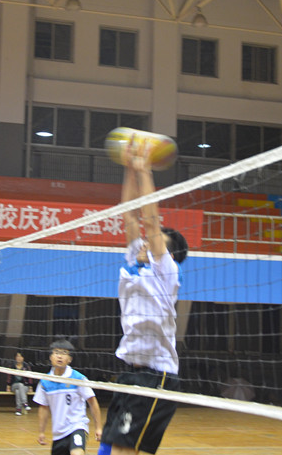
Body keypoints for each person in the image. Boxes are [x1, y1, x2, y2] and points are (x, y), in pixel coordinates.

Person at [100, 138, 188, 455]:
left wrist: (145, 170)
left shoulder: (166, 272)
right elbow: (129, 216)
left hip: (157, 376)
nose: (144, 242)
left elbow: (150, 221)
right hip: (130, 371)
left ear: (166, 253)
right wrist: (128, 169)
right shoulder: (133, 263)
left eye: (153, 242)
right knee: (109, 444)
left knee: (123, 449)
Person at [33, 339, 102, 455]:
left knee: (77, 453)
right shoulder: (45, 382)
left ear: (69, 359)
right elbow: (43, 407)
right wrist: (41, 431)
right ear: (51, 357)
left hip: (77, 426)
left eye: (64, 353)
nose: (60, 356)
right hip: (58, 433)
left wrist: (98, 427)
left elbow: (92, 401)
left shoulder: (78, 378)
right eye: (56, 352)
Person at [6, 351, 33, 416]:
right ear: (15, 358)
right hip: (14, 385)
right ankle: (25, 403)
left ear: (23, 358)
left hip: (25, 386)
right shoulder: (12, 366)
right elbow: (9, 376)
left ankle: (18, 410)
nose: (19, 358)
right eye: (17, 356)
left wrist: (30, 387)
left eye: (20, 356)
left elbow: (30, 376)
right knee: (20, 385)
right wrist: (8, 386)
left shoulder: (26, 366)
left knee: (18, 391)